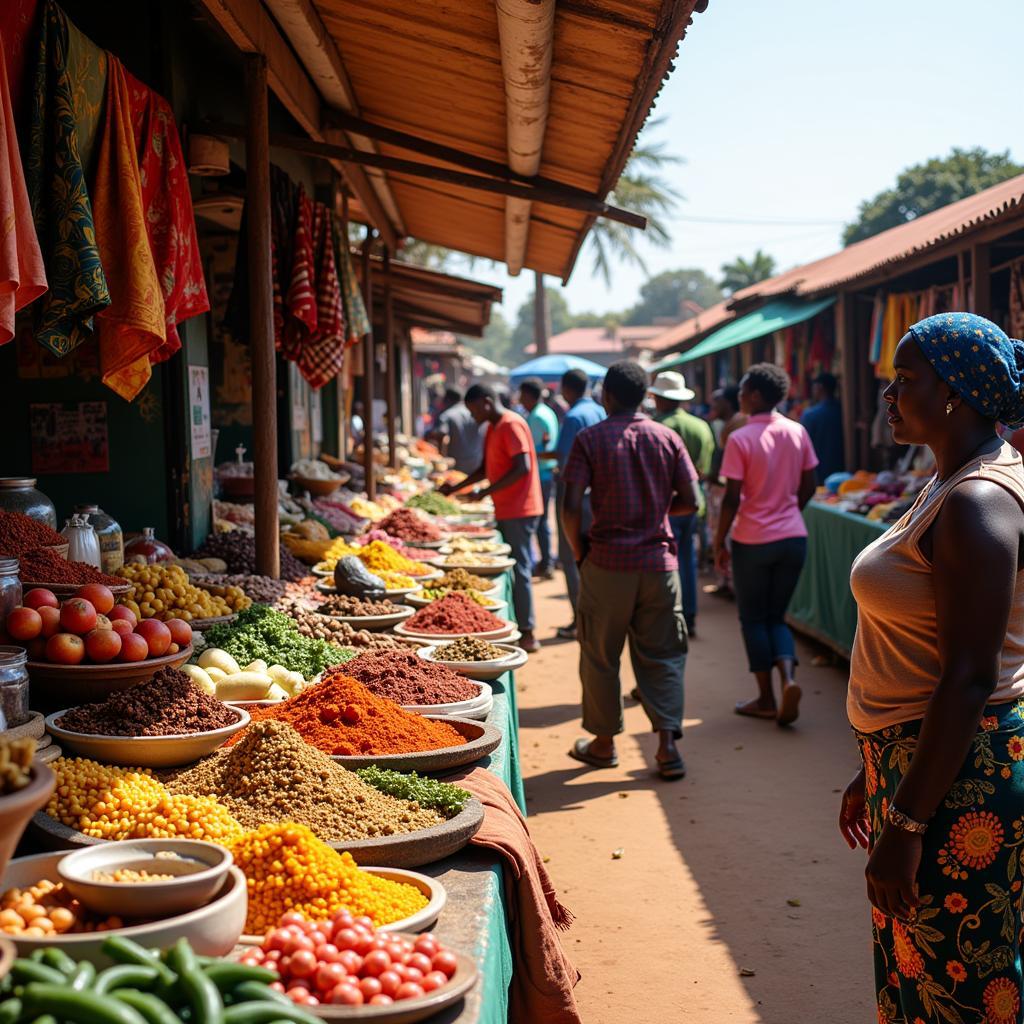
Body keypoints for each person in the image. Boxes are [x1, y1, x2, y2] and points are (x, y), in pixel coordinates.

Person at [838, 313, 1024, 1024]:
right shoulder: (948, 482)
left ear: (955, 393)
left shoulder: (979, 501)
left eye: (905, 380)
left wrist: (907, 824)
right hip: (924, 762)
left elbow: (970, 676)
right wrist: (876, 769)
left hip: (960, 780)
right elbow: (919, 651)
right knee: (920, 966)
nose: (890, 394)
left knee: (964, 984)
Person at [561, 360, 697, 780]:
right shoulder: (667, 437)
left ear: (608, 396)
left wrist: (579, 550)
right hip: (658, 564)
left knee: (600, 656)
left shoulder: (590, 438)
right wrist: (657, 512)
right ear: (646, 397)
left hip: (606, 562)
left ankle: (604, 744)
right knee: (663, 655)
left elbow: (569, 506)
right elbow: (691, 500)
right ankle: (667, 746)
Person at [714, 363, 817, 726]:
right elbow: (809, 485)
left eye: (742, 391)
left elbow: (730, 498)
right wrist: (788, 511)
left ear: (755, 395)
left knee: (753, 618)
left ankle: (766, 698)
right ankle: (788, 679)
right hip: (792, 536)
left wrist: (718, 539)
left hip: (752, 539)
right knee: (777, 617)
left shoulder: (739, 439)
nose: (739, 397)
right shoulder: (797, 431)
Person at [440, 383, 543, 653]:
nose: (472, 417)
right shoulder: (493, 428)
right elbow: (486, 467)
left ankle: (528, 632)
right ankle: (520, 627)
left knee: (520, 568)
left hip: (521, 508)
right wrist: (456, 488)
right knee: (514, 567)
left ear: (486, 402)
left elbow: (523, 467)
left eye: (474, 411)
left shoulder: (511, 423)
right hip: (505, 507)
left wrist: (485, 491)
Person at [648, 371, 715, 637]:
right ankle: (689, 615)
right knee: (687, 559)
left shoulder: (656, 427)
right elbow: (706, 468)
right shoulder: (701, 426)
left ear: (661, 397)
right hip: (694, 501)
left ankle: (673, 615)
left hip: (666, 504)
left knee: (667, 562)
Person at [544, 368, 606, 640]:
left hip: (576, 496)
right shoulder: (600, 411)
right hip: (599, 496)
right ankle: (596, 617)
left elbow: (566, 463)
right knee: (594, 558)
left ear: (566, 389)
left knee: (571, 557)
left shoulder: (572, 417)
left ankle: (580, 621)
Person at [705, 386, 745, 596]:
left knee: (725, 535)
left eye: (716, 401)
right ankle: (725, 581)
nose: (713, 406)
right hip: (721, 489)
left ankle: (729, 582)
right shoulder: (724, 425)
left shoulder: (737, 425)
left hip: (726, 490)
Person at [518, 377, 559, 580]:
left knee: (539, 521)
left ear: (528, 395)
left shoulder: (536, 417)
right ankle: (546, 560)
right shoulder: (546, 412)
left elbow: (535, 450)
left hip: (541, 474)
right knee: (543, 521)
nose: (519, 399)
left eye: (521, 395)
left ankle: (546, 562)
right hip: (547, 473)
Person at [426, 388, 483, 475]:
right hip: (476, 462)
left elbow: (442, 435)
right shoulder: (474, 412)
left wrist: (442, 457)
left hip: (457, 463)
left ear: (447, 399)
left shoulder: (448, 415)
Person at [800, 371, 845, 482]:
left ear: (820, 387)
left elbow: (803, 447)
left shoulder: (810, 414)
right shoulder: (843, 411)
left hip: (818, 471)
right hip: (843, 467)